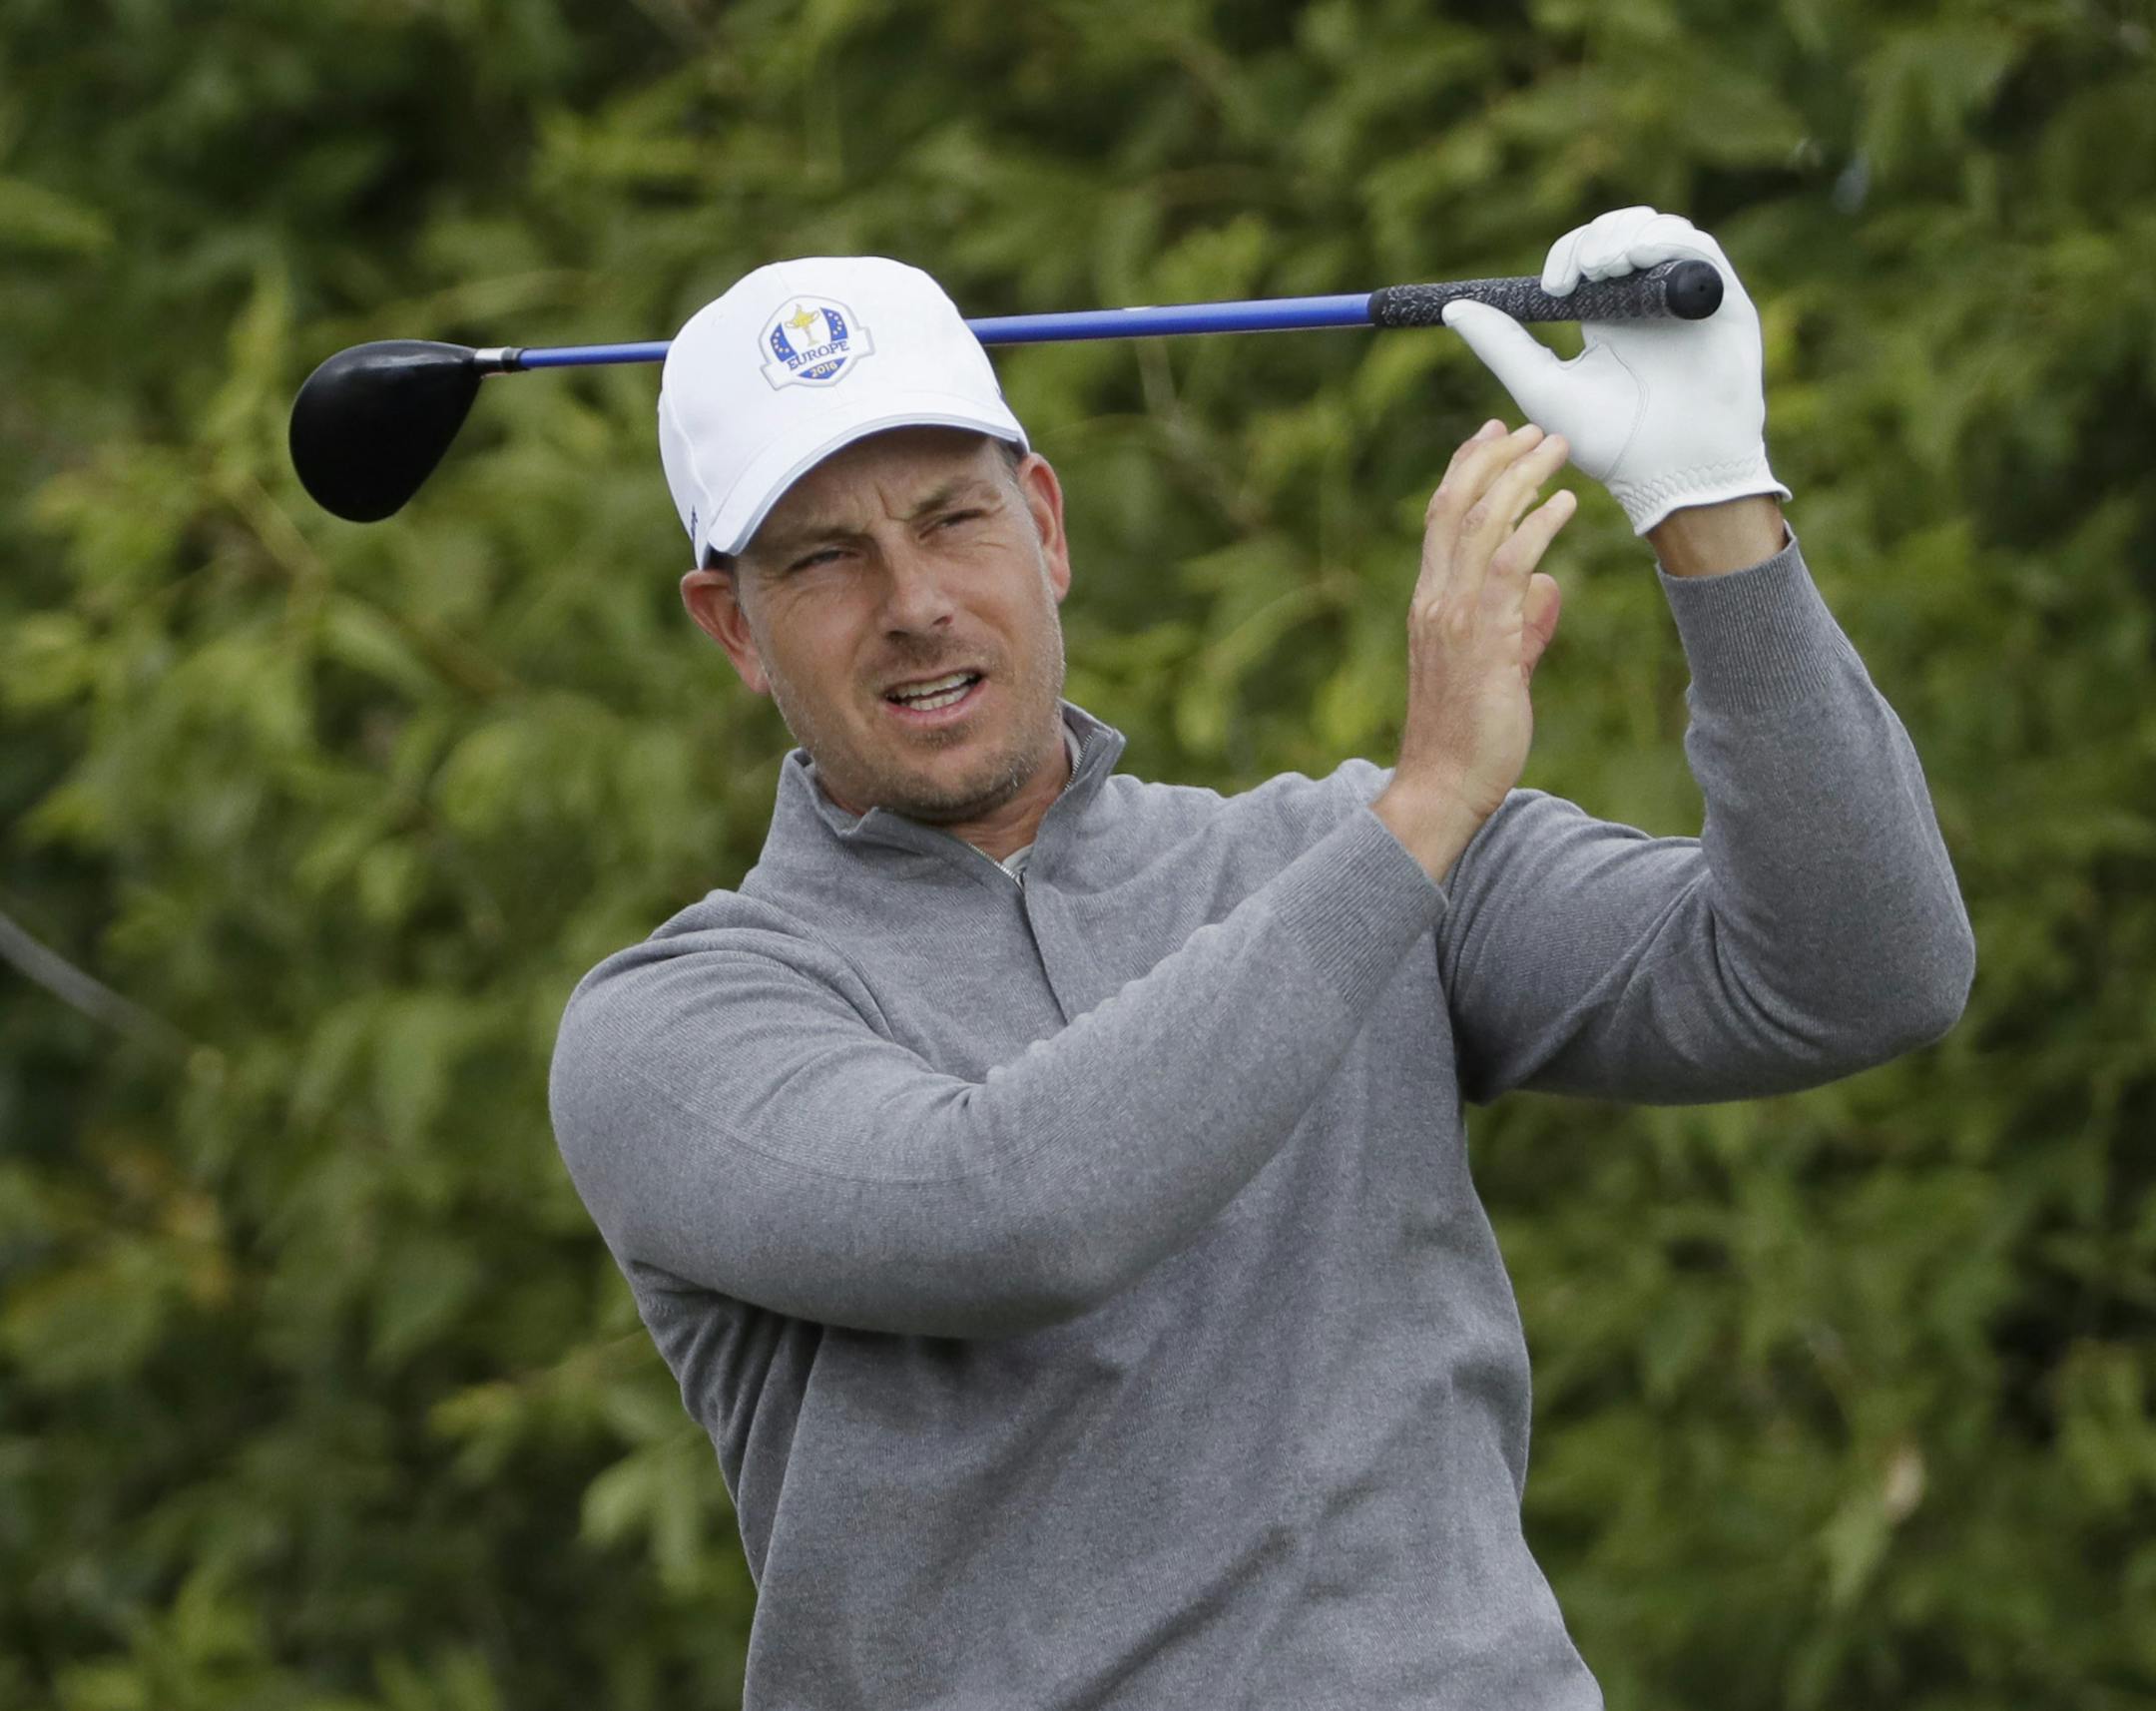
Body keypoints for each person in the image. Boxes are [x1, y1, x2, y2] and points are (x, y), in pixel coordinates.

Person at [548, 207, 1974, 1710]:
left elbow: (1860, 971)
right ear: (734, 628)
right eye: (824, 558)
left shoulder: (1333, 849)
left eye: (952, 520)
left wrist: (1717, 516)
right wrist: (1420, 811)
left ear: (1045, 522)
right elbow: (1018, 1211)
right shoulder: (675, 1025)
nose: (913, 604)